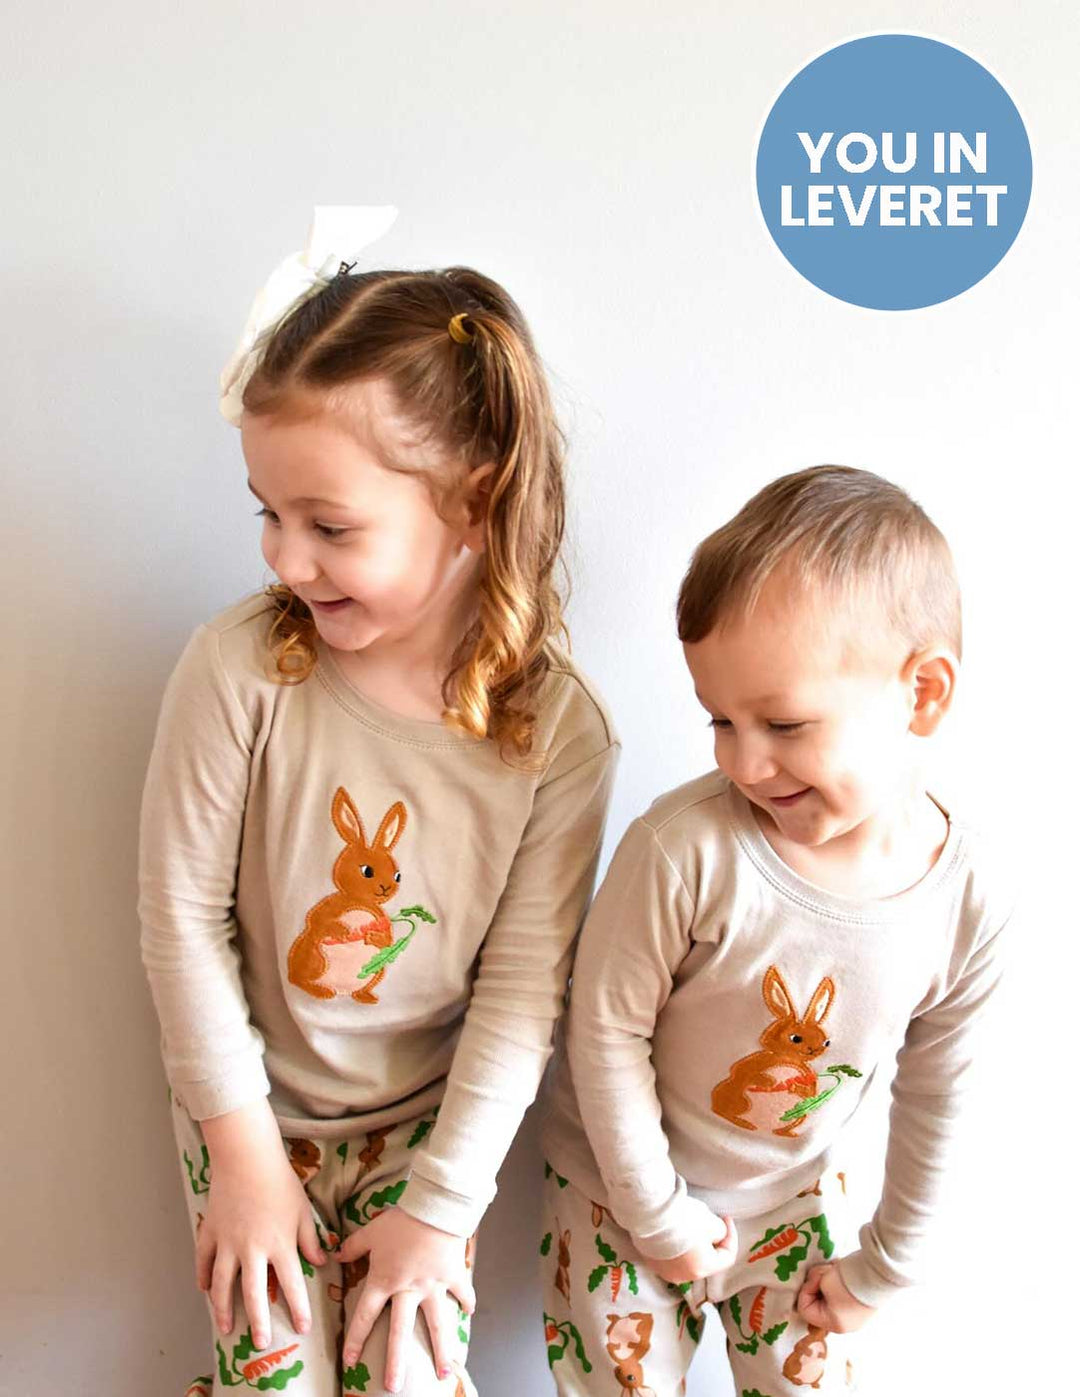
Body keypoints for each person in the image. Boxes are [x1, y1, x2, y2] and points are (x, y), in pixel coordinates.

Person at [138, 209, 619, 1397]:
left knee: (409, 1374)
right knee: (270, 1376)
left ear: (472, 500)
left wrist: (444, 1203)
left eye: (330, 526)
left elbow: (522, 992)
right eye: (267, 512)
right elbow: (181, 916)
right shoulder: (239, 671)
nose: (284, 559)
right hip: (251, 1105)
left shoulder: (556, 736)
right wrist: (242, 1151)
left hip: (429, 1133)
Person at [538, 465, 1012, 1395]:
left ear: (922, 693)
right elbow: (603, 1029)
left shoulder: (964, 900)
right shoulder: (683, 851)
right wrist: (656, 1212)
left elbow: (940, 1094)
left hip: (796, 1205)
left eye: (785, 724)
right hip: (619, 1196)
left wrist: (887, 1265)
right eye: (720, 719)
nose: (744, 762)